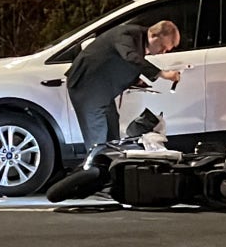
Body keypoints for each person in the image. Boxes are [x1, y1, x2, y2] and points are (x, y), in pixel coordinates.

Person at [65, 20, 181, 151]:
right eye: (162, 47)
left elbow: (117, 62)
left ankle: (110, 165)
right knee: (97, 139)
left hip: (102, 91)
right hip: (86, 89)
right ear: (154, 35)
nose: (163, 52)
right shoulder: (126, 35)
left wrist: (135, 80)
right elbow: (130, 57)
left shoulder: (138, 41)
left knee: (112, 134)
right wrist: (162, 74)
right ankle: (97, 167)